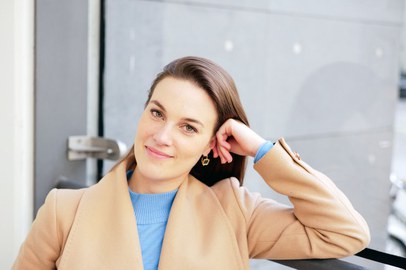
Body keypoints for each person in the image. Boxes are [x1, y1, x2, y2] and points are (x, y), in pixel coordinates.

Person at [13, 56, 370, 269]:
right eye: (157, 113)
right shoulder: (64, 211)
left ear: (209, 144)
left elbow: (344, 232)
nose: (162, 136)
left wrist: (263, 150)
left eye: (188, 127)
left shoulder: (233, 212)